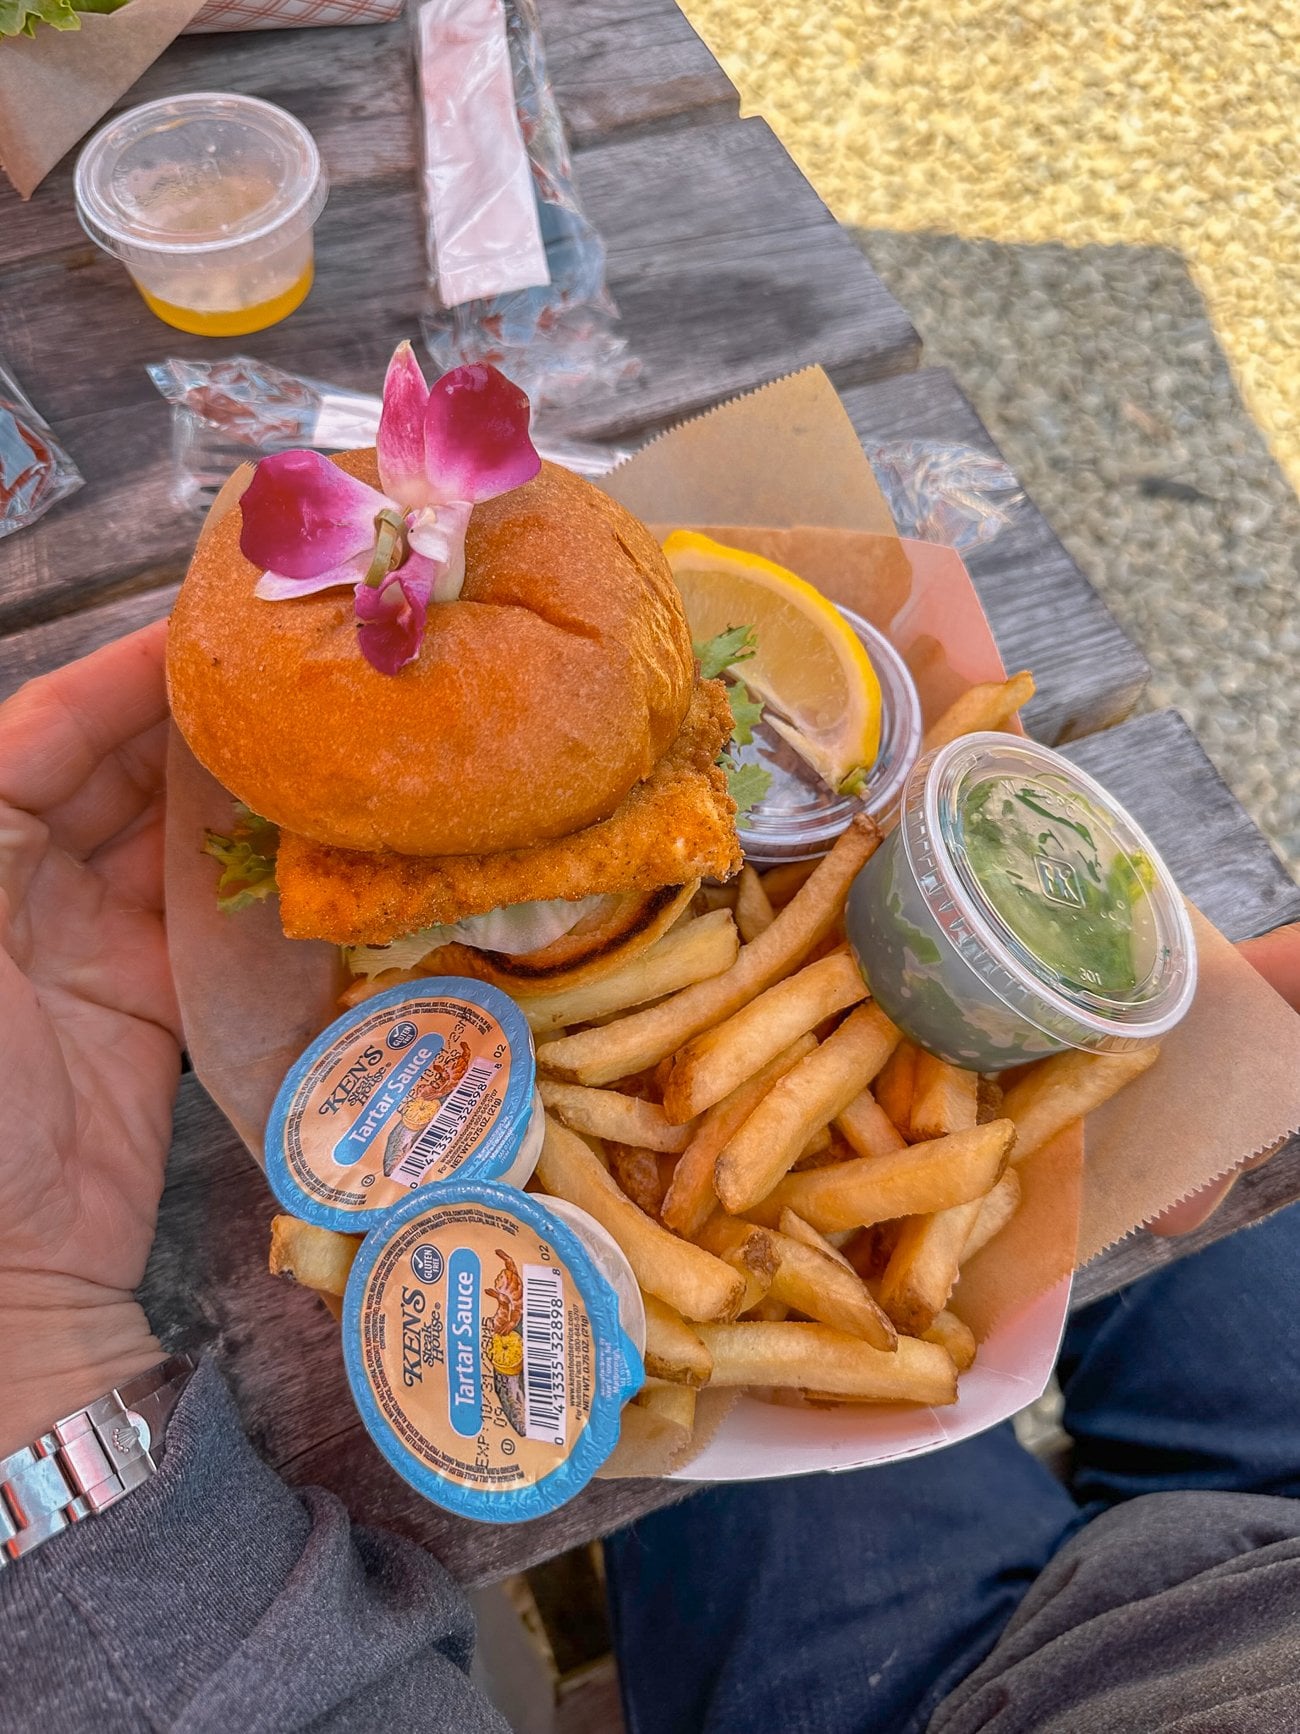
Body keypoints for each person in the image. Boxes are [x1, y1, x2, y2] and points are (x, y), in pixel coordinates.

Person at [2, 626, 1298, 1734]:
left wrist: (32, 1327)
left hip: (948, 1693)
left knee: (817, 1381)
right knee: (1176, 1176)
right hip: (1265, 1549)